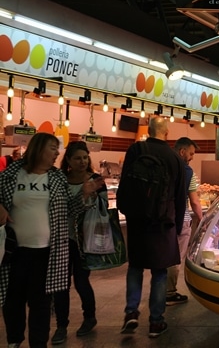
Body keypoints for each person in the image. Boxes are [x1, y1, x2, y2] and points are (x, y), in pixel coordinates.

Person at [0, 133, 102, 348]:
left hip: (47, 251)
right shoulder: (12, 173)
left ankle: (39, 343)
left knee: (41, 302)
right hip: (14, 251)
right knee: (13, 300)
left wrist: (83, 194)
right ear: (39, 149)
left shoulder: (56, 178)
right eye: (53, 148)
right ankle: (14, 340)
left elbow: (69, 210)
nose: (57, 153)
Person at [117, 116, 186, 339]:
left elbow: (124, 183)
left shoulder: (136, 150)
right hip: (163, 222)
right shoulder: (175, 158)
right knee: (159, 271)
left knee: (135, 267)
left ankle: (131, 312)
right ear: (166, 133)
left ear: (149, 130)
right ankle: (156, 322)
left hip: (137, 220)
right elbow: (180, 197)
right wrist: (177, 225)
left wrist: (126, 209)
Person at [51, 141, 106, 345]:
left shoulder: (95, 179)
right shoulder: (60, 180)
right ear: (68, 161)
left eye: (85, 157)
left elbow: (103, 207)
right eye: (77, 158)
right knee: (61, 285)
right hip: (62, 239)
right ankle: (61, 326)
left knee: (82, 281)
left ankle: (89, 317)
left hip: (85, 239)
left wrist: (92, 195)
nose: (82, 161)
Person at [166, 137, 203, 306]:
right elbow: (194, 201)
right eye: (191, 153)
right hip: (181, 220)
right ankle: (169, 293)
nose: (192, 157)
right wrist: (202, 219)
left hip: (163, 219)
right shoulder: (188, 172)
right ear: (182, 152)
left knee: (163, 256)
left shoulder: (163, 167)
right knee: (175, 258)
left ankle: (160, 290)